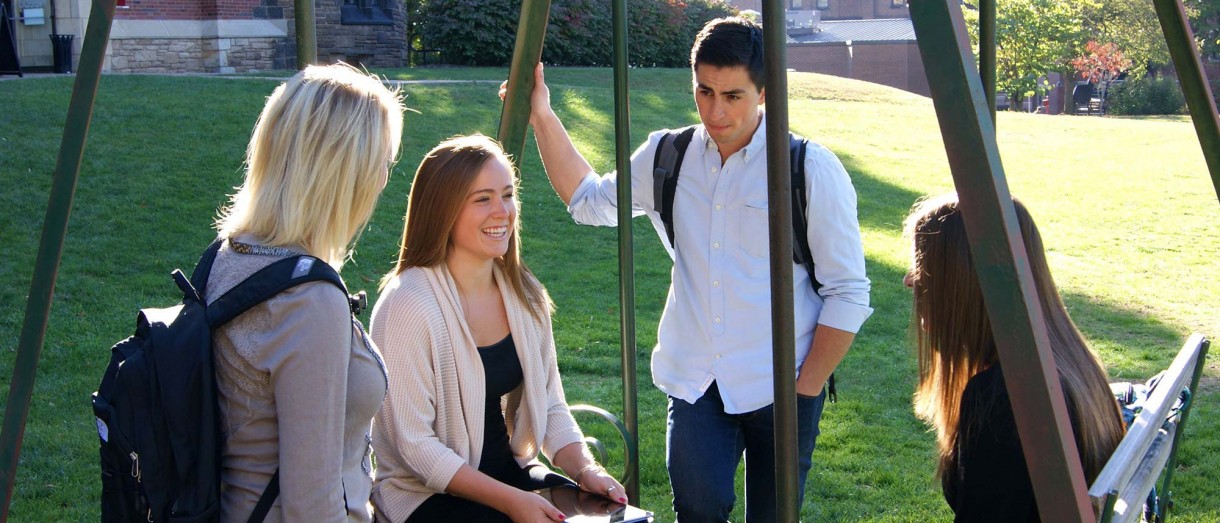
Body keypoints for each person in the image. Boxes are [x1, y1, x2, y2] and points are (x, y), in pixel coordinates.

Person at [505, 16, 872, 522]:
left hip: (784, 384)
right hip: (698, 381)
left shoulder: (808, 168)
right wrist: (541, 117)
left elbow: (849, 292)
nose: (716, 110)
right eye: (704, 91)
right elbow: (588, 201)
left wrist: (804, 388)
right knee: (698, 512)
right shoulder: (667, 155)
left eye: (733, 95)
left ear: (764, 92)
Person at [369, 134, 627, 523]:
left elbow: (551, 405)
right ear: (443, 211)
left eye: (507, 195)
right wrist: (510, 502)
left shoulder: (525, 295)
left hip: (508, 474)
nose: (502, 211)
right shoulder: (408, 304)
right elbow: (415, 445)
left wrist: (586, 470)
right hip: (422, 494)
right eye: (482, 199)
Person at [207, 63, 404, 522]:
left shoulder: (229, 256)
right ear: (341, 170)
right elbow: (312, 508)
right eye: (380, 164)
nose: (381, 180)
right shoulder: (307, 300)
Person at [903, 193, 1126, 522]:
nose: (910, 281)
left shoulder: (1008, 402)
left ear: (965, 282)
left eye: (923, 266)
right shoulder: (1066, 362)